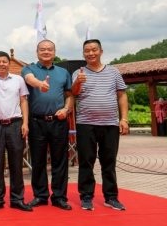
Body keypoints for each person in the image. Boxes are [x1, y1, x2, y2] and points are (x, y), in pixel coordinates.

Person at [72, 39, 129, 211]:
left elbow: (122, 95)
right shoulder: (78, 73)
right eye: (87, 51)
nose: (91, 53)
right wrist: (78, 82)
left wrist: (124, 119)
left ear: (101, 51)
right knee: (86, 161)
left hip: (110, 124)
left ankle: (111, 197)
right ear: (83, 53)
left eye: (94, 50)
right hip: (85, 124)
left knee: (109, 161)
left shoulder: (113, 72)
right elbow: (73, 93)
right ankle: (86, 196)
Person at [21, 40, 73, 210]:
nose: (46, 52)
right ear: (37, 52)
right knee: (38, 160)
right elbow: (29, 80)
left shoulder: (63, 72)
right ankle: (40, 195)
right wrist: (40, 84)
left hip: (59, 121)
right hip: (37, 122)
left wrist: (66, 109)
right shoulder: (29, 69)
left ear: (54, 52)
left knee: (60, 160)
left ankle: (59, 197)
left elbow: (69, 95)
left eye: (49, 49)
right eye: (42, 49)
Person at [0, 51, 32, 212]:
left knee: (16, 163)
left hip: (15, 124)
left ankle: (17, 199)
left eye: (4, 61)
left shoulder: (18, 79)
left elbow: (23, 101)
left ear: (9, 63)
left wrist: (25, 123)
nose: (2, 64)